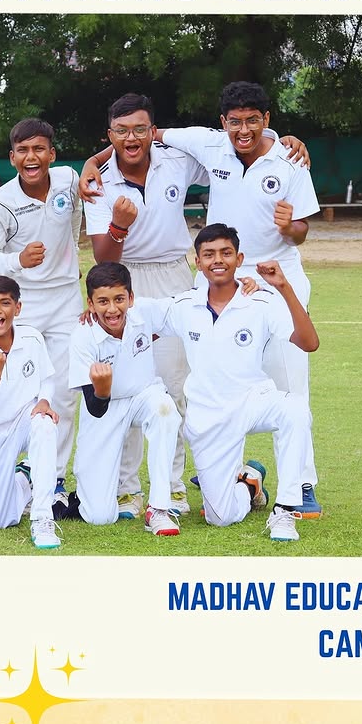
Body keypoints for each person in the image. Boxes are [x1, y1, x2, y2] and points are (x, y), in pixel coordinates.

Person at [79, 82, 322, 518]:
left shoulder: (285, 157)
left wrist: (291, 224)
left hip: (265, 271)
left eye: (253, 121)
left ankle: (300, 484)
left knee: (283, 380)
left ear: (267, 121)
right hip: (205, 273)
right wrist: (92, 162)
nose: (242, 129)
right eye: (234, 121)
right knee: (197, 375)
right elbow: (138, 138)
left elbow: (302, 225)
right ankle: (204, 476)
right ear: (222, 122)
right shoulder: (208, 145)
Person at [81, 93, 208, 518]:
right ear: (110, 135)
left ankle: (172, 487)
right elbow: (104, 257)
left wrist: (278, 139)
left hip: (174, 274)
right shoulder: (97, 181)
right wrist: (119, 225)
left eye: (140, 129)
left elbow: (224, 145)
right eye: (121, 131)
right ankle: (127, 490)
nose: (131, 138)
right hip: (125, 281)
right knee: (126, 385)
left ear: (154, 131)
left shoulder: (177, 160)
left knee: (175, 384)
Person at [161, 224, 320, 542]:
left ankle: (284, 511)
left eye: (225, 253)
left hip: (253, 399)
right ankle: (250, 482)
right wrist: (92, 317)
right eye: (209, 254)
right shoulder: (183, 305)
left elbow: (309, 341)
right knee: (221, 517)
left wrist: (284, 286)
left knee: (295, 409)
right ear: (198, 261)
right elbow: (133, 321)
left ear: (239, 258)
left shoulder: (260, 301)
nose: (217, 260)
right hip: (210, 415)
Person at [0, 118, 82, 490]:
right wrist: (18, 260)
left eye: (39, 149)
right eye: (22, 150)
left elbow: (99, 169)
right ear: (12, 157)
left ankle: (52, 476)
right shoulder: (0, 201)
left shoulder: (69, 180)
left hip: (68, 298)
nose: (31, 157)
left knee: (66, 393)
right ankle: (18, 464)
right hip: (27, 303)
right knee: (23, 388)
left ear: (52, 154)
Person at [67, 262, 183, 535]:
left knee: (166, 409)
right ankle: (78, 497)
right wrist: (103, 388)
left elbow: (190, 304)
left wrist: (245, 286)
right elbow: (95, 409)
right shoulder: (83, 337)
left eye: (119, 299)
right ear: (90, 303)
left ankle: (159, 508)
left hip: (144, 395)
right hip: (104, 407)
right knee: (99, 516)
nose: (112, 309)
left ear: (131, 298)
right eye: (102, 302)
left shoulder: (144, 311)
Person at [0, 275, 62, 549]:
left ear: (17, 307)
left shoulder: (32, 338)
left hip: (27, 417)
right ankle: (25, 477)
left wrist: (44, 400)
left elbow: (47, 378)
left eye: (5, 303)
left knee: (45, 425)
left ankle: (42, 517)